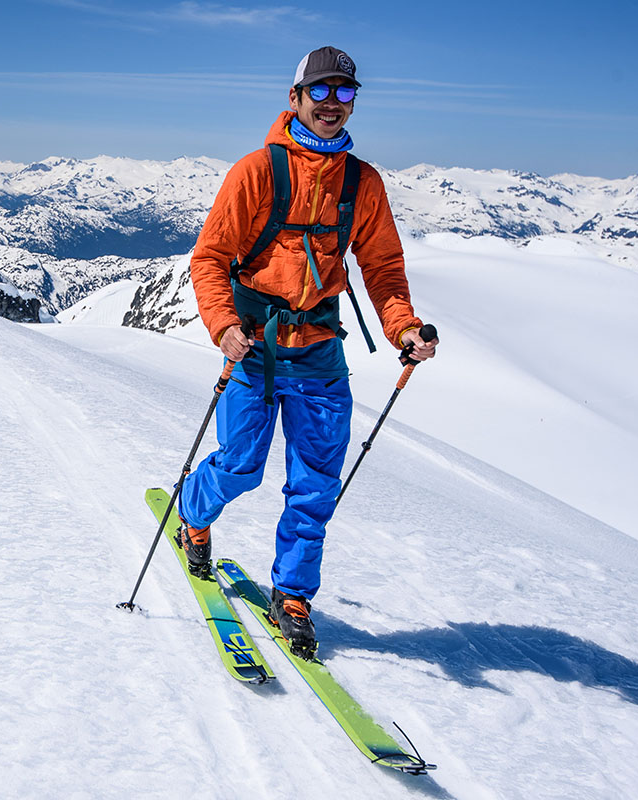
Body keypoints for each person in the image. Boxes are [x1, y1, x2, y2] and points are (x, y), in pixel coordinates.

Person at [176, 46, 437, 658]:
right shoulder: (257, 172)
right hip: (256, 347)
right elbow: (210, 259)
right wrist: (223, 327)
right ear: (294, 98)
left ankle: (292, 594)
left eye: (345, 93)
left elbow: (383, 269)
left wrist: (404, 328)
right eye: (320, 91)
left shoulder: (361, 182)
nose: (332, 104)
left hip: (320, 352)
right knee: (240, 465)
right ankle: (194, 513)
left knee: (315, 483)